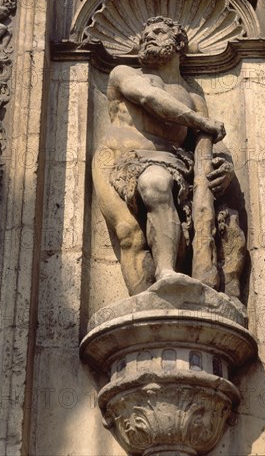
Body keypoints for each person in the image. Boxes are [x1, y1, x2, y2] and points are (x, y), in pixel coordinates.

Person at [92, 16, 233, 295]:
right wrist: (201, 122)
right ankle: (143, 302)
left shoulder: (194, 99)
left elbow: (208, 147)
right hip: (118, 161)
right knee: (129, 235)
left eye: (157, 31)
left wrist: (225, 168)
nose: (147, 37)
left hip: (167, 166)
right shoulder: (125, 73)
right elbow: (149, 98)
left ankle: (165, 275)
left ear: (178, 41)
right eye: (144, 34)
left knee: (155, 183)